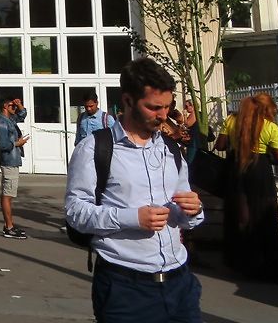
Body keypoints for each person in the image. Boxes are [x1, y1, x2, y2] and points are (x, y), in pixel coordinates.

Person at [66, 57, 204, 323]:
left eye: (167, 106)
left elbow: (184, 213)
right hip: (125, 286)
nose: (163, 115)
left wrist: (193, 210)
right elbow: (75, 213)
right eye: (154, 107)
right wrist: (133, 218)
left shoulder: (170, 149)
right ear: (128, 101)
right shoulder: (95, 148)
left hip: (180, 283)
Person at [214, 93, 278, 282]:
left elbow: (220, 145)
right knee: (264, 216)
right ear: (266, 109)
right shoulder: (270, 127)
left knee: (239, 215)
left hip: (236, 170)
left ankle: (239, 262)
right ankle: (266, 265)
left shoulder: (231, 121)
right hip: (259, 172)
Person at [0, 94, 29, 238]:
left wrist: (19, 104)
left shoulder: (9, 119)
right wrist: (18, 143)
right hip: (8, 160)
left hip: (13, 160)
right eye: (12, 106)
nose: (14, 108)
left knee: (9, 194)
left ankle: (9, 225)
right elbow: (2, 144)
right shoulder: (2, 122)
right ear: (5, 107)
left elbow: (22, 115)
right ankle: (9, 227)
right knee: (7, 194)